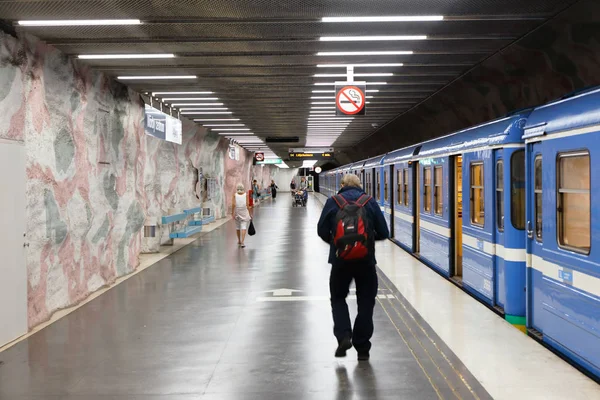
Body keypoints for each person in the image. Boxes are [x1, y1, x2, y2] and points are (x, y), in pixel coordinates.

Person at [317, 173, 389, 361]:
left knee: (338, 299)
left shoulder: (334, 201)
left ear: (342, 185)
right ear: (360, 185)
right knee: (366, 302)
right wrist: (366, 241)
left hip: (340, 262)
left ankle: (344, 336)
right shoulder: (369, 201)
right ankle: (362, 348)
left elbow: (321, 230)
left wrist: (338, 244)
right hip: (366, 261)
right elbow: (384, 232)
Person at [232, 183, 252, 248]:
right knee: (243, 226)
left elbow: (233, 204)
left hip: (237, 212)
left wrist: (232, 213)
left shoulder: (234, 195)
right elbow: (247, 204)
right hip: (244, 211)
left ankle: (239, 240)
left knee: (237, 227)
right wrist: (250, 213)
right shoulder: (246, 195)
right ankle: (243, 242)